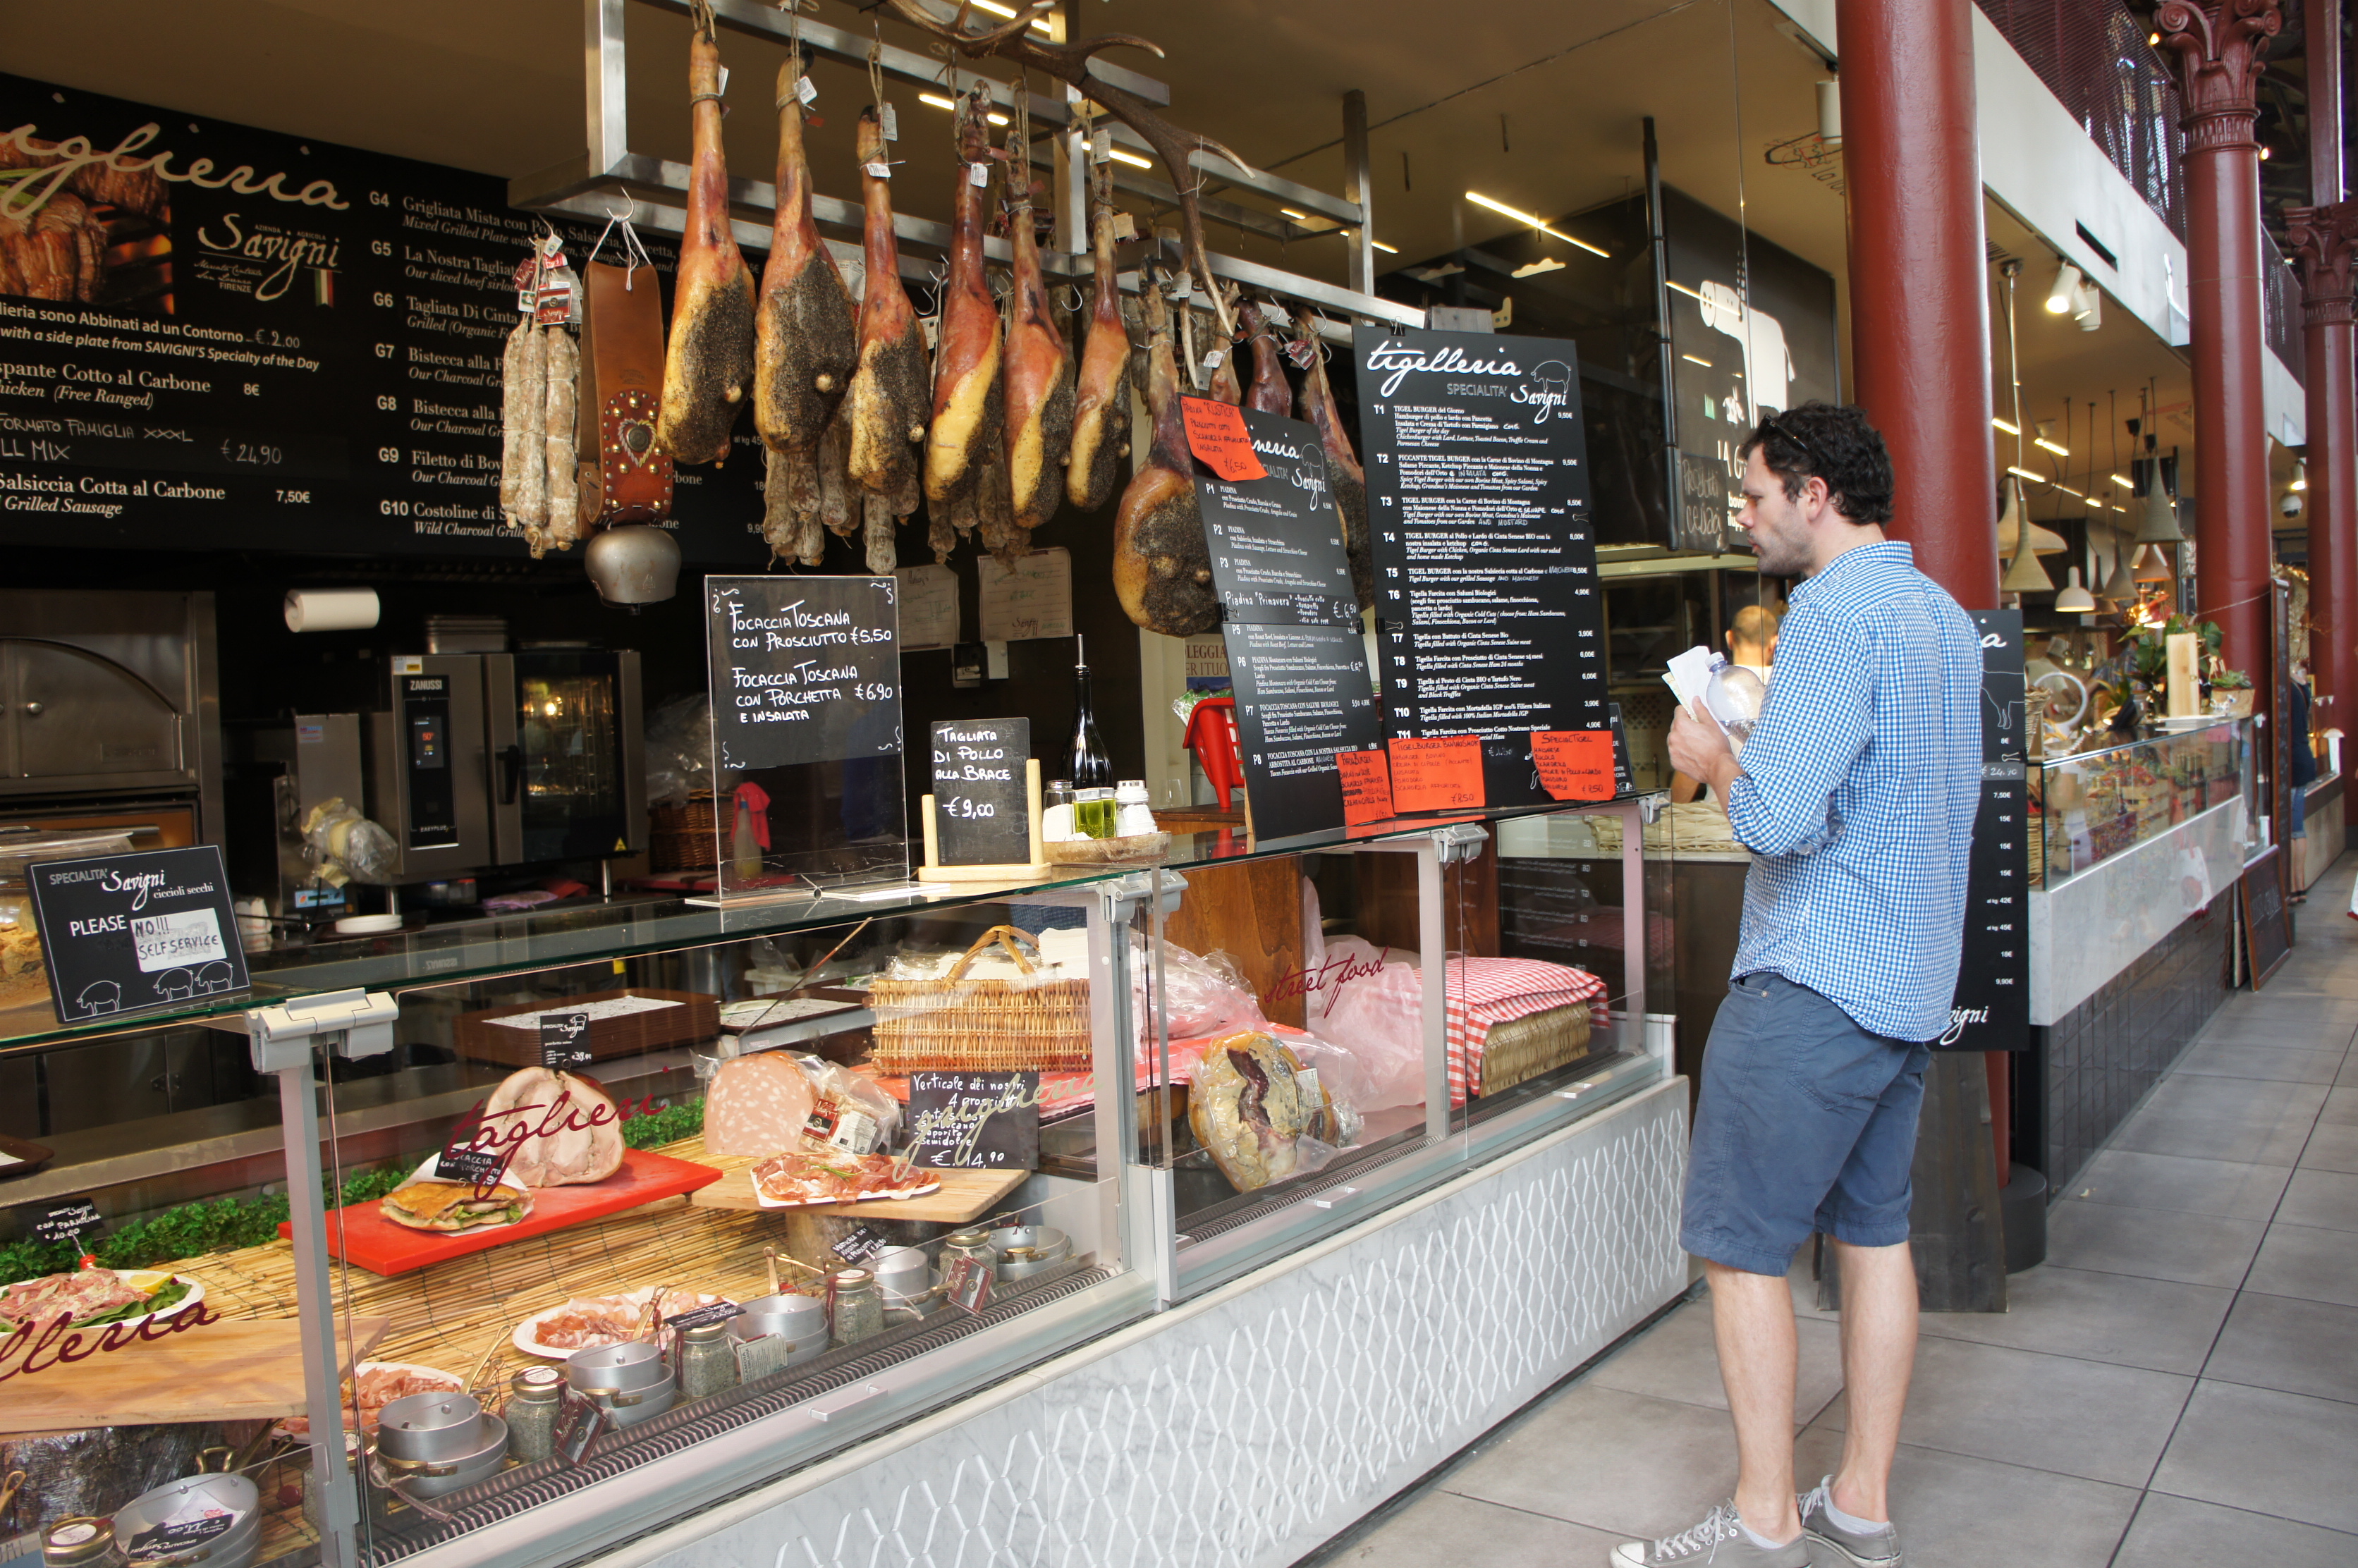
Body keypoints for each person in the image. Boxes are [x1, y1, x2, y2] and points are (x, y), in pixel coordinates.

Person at [1614, 403, 1981, 1568]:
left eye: (1754, 492)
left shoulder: (1828, 612)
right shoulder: (1938, 614)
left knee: (1739, 1248)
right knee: (1871, 1236)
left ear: (1813, 494)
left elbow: (1776, 818)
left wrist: (1713, 757)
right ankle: (1858, 1497)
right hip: (1907, 980)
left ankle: (1765, 1515)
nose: (1742, 513)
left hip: (1811, 980)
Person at [1670, 604, 1778, 804]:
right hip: (1780, 812)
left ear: (1729, 639)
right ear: (1774, 642)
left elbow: (1688, 775)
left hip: (1721, 814)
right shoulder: (1793, 685)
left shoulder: (1708, 690)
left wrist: (1670, 818)